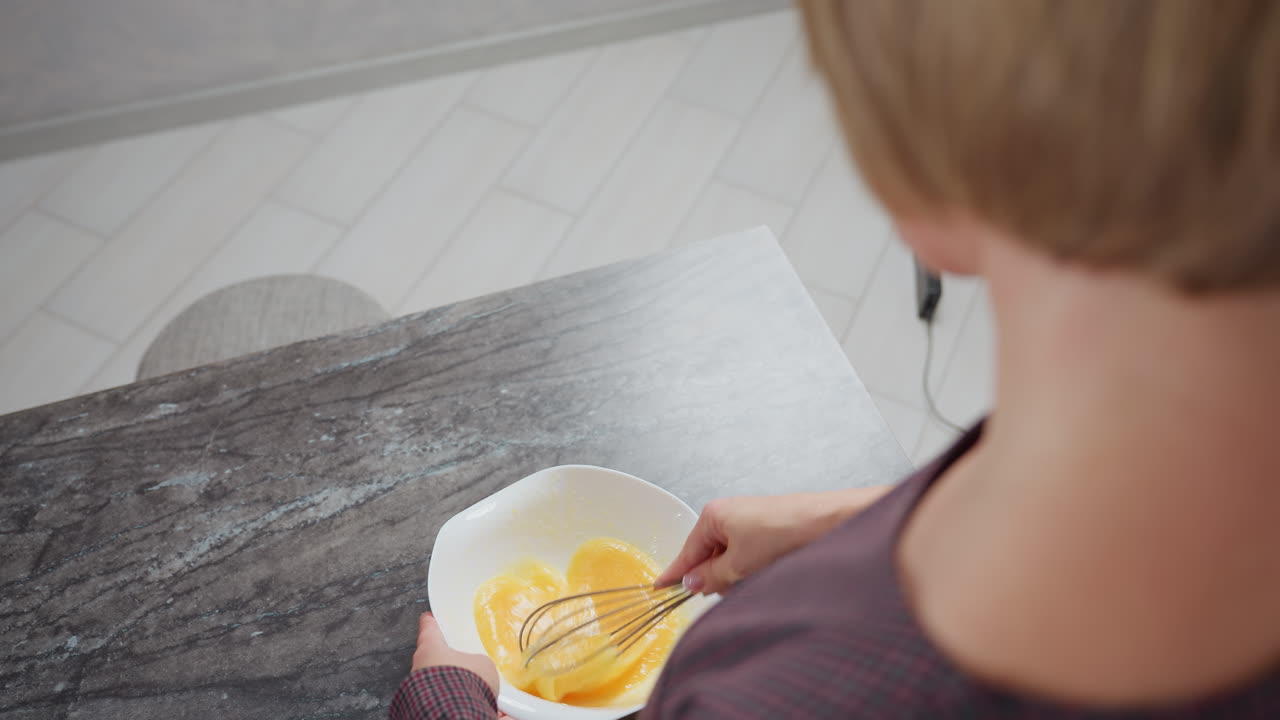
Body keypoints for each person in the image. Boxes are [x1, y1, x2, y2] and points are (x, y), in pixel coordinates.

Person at [389, 0, 1280, 716]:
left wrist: (446, 708)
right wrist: (858, 518)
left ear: (917, 177)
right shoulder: (1169, 425)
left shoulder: (769, 689)